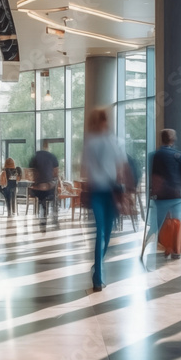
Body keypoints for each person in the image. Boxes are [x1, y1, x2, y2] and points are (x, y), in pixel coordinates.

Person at [82, 109, 126, 291]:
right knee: (102, 232)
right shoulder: (100, 142)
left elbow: (85, 170)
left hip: (104, 192)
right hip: (102, 192)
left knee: (105, 233)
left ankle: (97, 268)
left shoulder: (108, 142)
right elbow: (120, 169)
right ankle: (98, 277)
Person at [142, 129, 181, 260]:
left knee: (158, 224)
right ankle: (176, 251)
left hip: (161, 196)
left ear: (161, 139)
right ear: (173, 140)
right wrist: (180, 187)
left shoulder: (155, 155)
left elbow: (153, 176)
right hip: (177, 196)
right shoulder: (180, 156)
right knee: (177, 223)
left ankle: (150, 247)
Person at [29, 143, 60, 230]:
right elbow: (56, 173)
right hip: (49, 186)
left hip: (39, 187)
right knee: (54, 196)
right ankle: (55, 214)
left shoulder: (35, 157)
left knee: (41, 201)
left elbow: (33, 172)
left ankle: (43, 217)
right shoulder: (52, 157)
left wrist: (36, 183)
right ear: (47, 147)